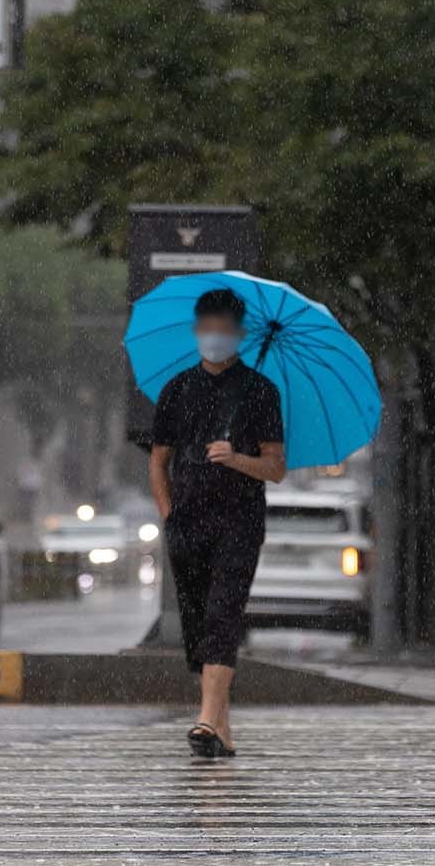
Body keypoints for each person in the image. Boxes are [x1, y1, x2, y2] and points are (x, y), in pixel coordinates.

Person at [148, 288, 286, 757]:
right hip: (188, 523)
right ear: (196, 330)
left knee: (222, 616)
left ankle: (205, 719)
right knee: (198, 625)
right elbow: (158, 462)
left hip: (240, 522)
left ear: (241, 335)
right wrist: (169, 516)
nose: (215, 338)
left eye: (224, 330)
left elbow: (276, 468)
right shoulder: (176, 390)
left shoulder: (261, 392)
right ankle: (221, 728)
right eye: (207, 328)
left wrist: (237, 458)